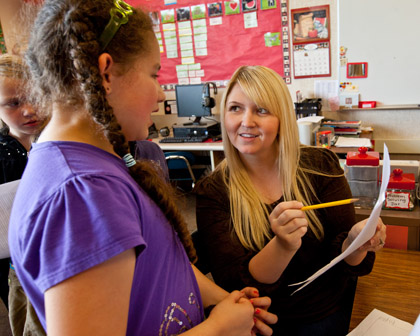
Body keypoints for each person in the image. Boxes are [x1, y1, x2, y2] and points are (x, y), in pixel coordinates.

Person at [8, 1, 277, 335]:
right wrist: (219, 329)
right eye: (154, 73)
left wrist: (225, 302)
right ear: (106, 73)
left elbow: (159, 261)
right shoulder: (84, 193)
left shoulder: (97, 166)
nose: (160, 90)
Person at [194, 65, 387, 336]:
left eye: (261, 110)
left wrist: (356, 242)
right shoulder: (213, 191)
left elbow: (344, 261)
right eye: (235, 108)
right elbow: (233, 286)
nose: (246, 121)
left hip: (328, 312)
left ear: (282, 118)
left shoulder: (320, 165)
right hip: (262, 324)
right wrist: (283, 245)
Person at [0, 53, 45, 335]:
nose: (29, 110)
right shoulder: (5, 154)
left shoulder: (48, 141)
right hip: (14, 265)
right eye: (14, 104)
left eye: (35, 97)